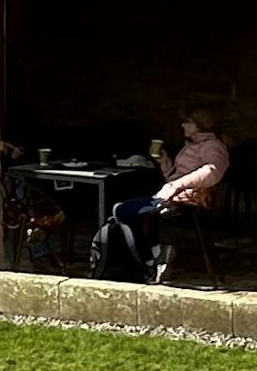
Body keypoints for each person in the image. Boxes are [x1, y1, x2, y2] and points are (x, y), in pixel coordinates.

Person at [97, 108, 231, 281]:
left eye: (187, 122)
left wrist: (177, 185)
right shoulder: (193, 145)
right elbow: (175, 178)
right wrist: (165, 163)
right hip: (175, 197)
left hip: (187, 202)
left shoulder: (213, 146)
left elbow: (212, 171)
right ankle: (148, 258)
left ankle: (150, 260)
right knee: (120, 216)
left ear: (200, 124)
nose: (183, 125)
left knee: (121, 210)